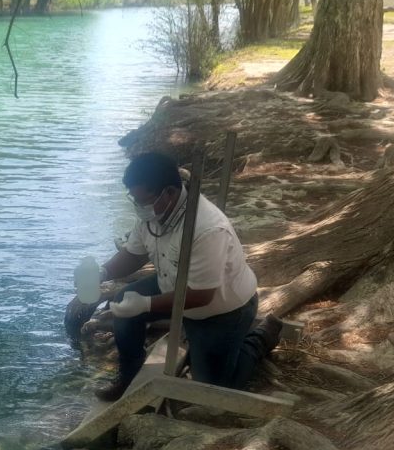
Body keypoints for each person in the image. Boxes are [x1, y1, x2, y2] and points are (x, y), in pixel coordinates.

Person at [89, 151, 281, 402]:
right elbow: (134, 255)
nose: (139, 207)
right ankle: (128, 374)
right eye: (134, 200)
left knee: (213, 388)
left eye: (143, 201)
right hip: (174, 286)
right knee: (124, 303)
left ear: (168, 192)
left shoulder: (207, 228)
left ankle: (260, 338)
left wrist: (146, 304)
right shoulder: (153, 213)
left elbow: (202, 295)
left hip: (221, 309)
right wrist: (102, 273)